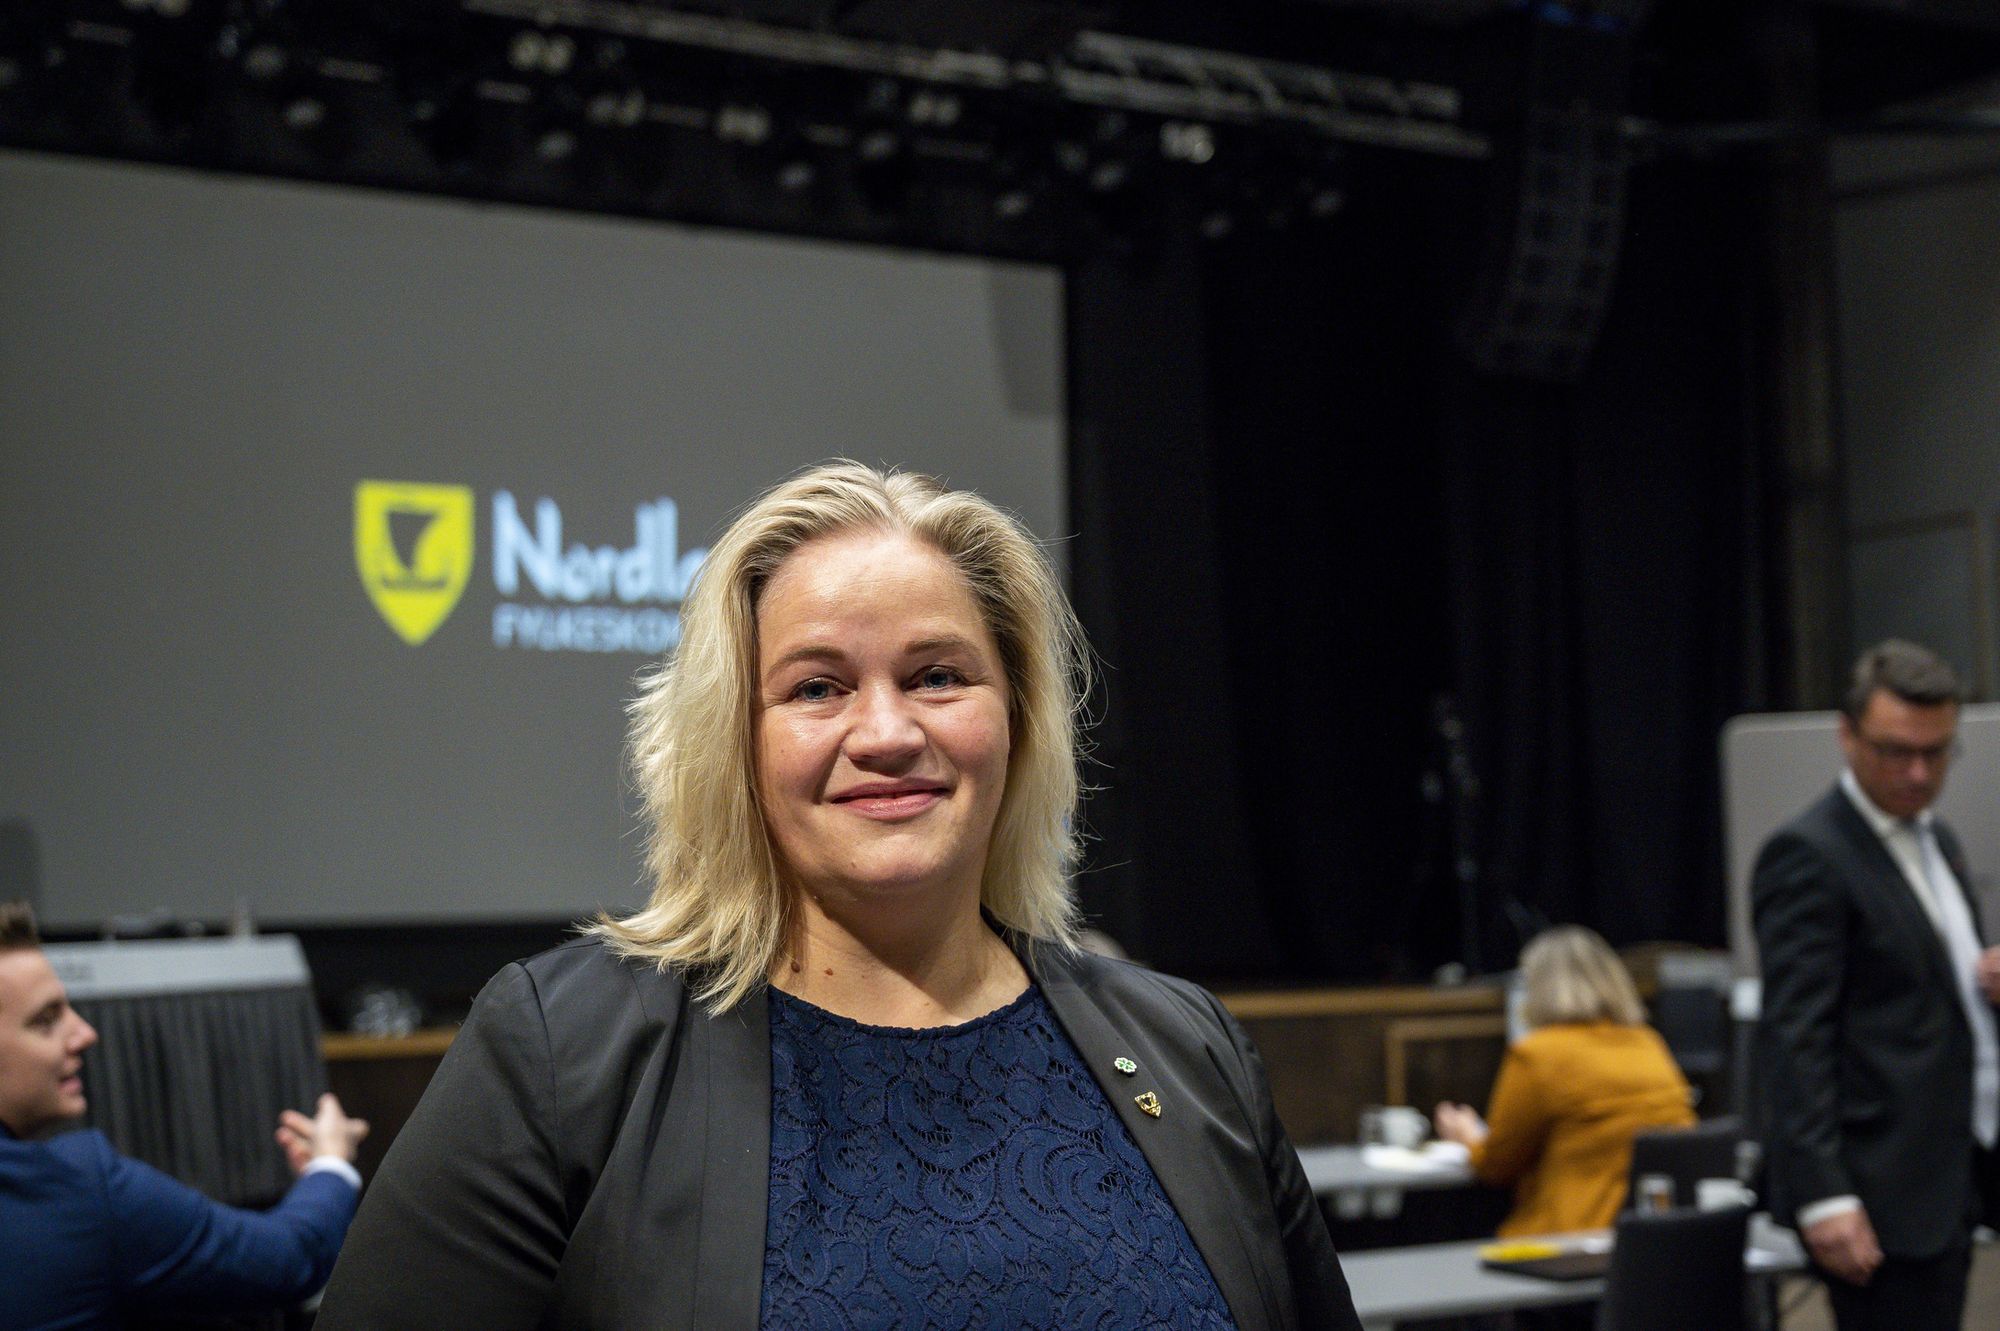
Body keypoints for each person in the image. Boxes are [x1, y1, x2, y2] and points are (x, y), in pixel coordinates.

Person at [316, 461, 1361, 1330]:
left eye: (938, 674)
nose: (887, 731)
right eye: (817, 686)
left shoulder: (1190, 1048)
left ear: (1019, 720)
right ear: (736, 740)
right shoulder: (562, 1054)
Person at [1754, 639, 2000, 1331]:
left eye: (1937, 751)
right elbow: (1795, 1035)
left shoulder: (1938, 840)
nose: (1918, 773)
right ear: (1846, 733)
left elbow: (1924, 998)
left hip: (1954, 1172)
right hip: (1879, 1186)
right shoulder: (1809, 854)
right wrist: (1822, 1194)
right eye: (1896, 751)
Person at [0, 900, 369, 1330]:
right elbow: (290, 1258)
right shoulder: (80, 1190)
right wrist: (331, 1162)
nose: (85, 1033)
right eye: (46, 1021)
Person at [1432, 925, 1694, 1237]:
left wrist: (1468, 1136)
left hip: (1565, 1241)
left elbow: (1497, 1165)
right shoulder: (1649, 1044)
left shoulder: (1538, 1053)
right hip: (1651, 1241)